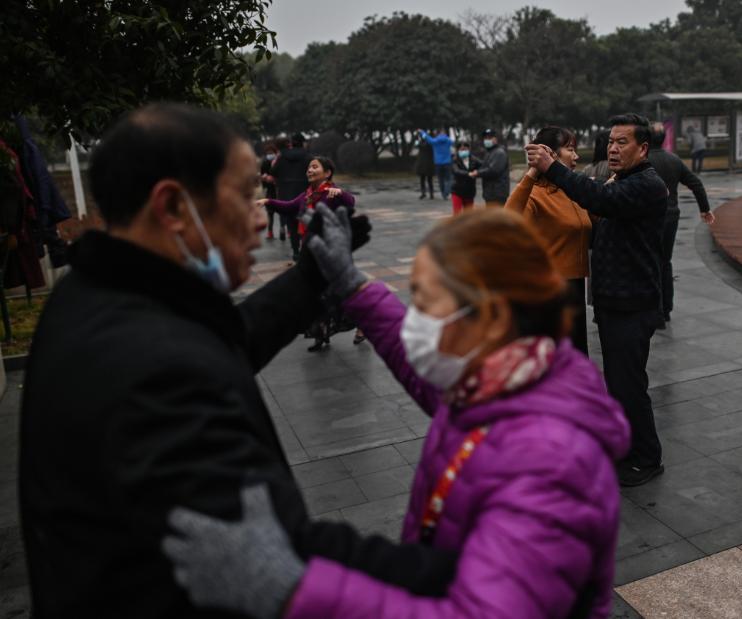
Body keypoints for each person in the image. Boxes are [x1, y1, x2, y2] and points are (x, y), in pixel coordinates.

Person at [17, 104, 455, 619]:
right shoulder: (145, 364)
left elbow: (222, 347)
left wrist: (314, 277)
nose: (258, 218)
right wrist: (460, 574)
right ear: (174, 208)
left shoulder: (104, 294)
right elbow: (278, 551)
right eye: (246, 194)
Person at [162, 208, 630, 619]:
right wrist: (353, 286)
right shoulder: (498, 381)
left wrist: (290, 590)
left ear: (490, 317)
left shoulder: (551, 465)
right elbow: (425, 376)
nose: (417, 321)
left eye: (426, 304)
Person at [525, 113, 668, 487]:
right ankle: (629, 448)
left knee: (629, 385)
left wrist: (553, 168)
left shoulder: (645, 185)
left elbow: (600, 199)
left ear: (643, 147)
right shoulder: (623, 179)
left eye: (623, 142)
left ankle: (646, 458)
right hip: (613, 302)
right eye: (611, 142)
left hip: (632, 303)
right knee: (619, 384)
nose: (614, 148)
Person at [505, 126, 592, 354]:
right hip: (550, 291)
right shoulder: (536, 193)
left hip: (575, 286)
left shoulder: (573, 189)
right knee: (557, 359)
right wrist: (533, 172)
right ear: (552, 154)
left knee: (576, 355)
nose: (576, 156)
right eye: (570, 150)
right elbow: (508, 221)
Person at [259, 156, 357, 352]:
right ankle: (320, 333)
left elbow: (350, 201)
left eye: (314, 167)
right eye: (308, 168)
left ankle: (362, 322)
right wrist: (268, 201)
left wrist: (341, 193)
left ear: (327, 173)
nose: (309, 170)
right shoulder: (308, 195)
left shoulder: (331, 193)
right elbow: (288, 206)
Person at [647, 122, 716, 325]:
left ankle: (657, 312)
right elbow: (695, 183)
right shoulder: (674, 160)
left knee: (652, 263)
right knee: (665, 262)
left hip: (651, 218)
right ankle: (667, 308)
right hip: (671, 217)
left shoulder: (644, 161)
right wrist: (704, 209)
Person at [270, 133, 311, 260]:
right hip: (304, 194)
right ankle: (305, 250)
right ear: (302, 143)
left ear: (292, 143)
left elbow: (273, 172)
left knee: (292, 225)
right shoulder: (308, 157)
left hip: (287, 196)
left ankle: (295, 252)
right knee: (306, 223)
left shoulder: (282, 157)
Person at [471, 129, 509, 207]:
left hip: (497, 193)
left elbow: (494, 170)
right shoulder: (490, 152)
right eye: (485, 138)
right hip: (491, 192)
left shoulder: (499, 152)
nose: (487, 140)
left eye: (489, 138)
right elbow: (486, 165)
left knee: (496, 218)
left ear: (496, 139)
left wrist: (477, 173)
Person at [419, 129, 454, 199]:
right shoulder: (448, 141)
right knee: (449, 178)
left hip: (438, 163)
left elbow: (427, 137)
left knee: (440, 179)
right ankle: (446, 192)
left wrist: (422, 132)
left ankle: (443, 192)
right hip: (447, 162)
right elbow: (453, 143)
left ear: (438, 134)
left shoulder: (434, 141)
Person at [259, 141, 283, 241]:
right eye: (268, 153)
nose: (269, 155)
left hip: (279, 189)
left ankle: (284, 230)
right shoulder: (264, 163)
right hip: (270, 189)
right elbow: (262, 175)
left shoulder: (280, 162)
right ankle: (270, 232)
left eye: (271, 152)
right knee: (270, 212)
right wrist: (264, 178)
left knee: (283, 210)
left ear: (275, 152)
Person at [450, 141, 480, 214]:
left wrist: (478, 172)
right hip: (457, 191)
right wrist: (468, 174)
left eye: (465, 149)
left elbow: (483, 166)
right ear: (458, 151)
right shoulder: (454, 160)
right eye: (461, 150)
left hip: (469, 191)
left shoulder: (474, 159)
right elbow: (456, 171)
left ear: (469, 149)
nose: (463, 151)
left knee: (468, 215)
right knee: (457, 214)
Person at [415, 133, 436, 200]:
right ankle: (431, 194)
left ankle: (424, 193)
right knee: (429, 180)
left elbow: (417, 144)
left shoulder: (421, 144)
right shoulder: (430, 144)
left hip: (422, 164)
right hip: (429, 164)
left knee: (423, 179)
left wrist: (417, 136)